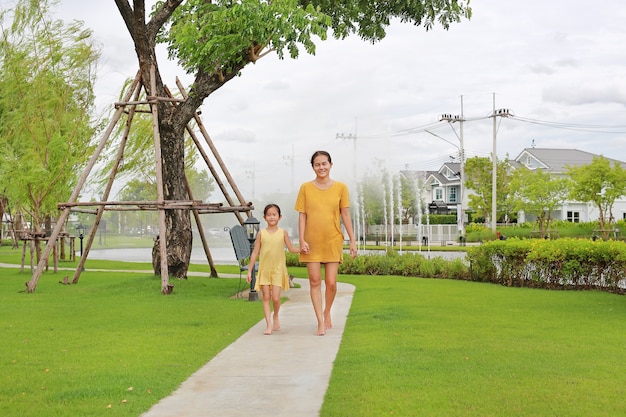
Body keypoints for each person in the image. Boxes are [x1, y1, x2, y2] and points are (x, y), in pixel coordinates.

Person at [295, 151, 357, 336]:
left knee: (331, 283)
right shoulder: (305, 188)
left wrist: (352, 240)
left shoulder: (341, 188)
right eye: (317, 164)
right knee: (315, 282)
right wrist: (301, 239)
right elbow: (302, 215)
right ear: (313, 167)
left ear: (330, 164)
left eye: (324, 163)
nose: (321, 167)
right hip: (311, 242)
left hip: (332, 240)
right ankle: (320, 322)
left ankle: (327, 311)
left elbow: (345, 214)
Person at [247, 203, 300, 335]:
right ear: (265, 217)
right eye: (269, 215)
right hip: (264, 270)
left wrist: (302, 249)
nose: (271, 217)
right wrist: (249, 271)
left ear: (279, 217)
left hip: (278, 270)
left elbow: (292, 249)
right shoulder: (261, 234)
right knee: (266, 297)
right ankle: (269, 325)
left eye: (274, 214)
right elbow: (255, 253)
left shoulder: (283, 233)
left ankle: (275, 315)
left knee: (275, 298)